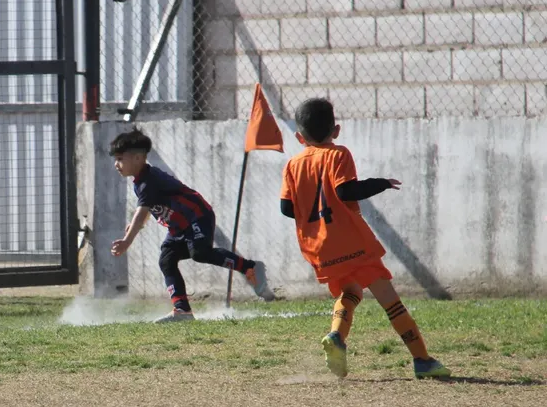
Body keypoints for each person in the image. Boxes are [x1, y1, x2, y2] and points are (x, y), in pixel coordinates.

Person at [279, 97, 450, 378]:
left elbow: (287, 208)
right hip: (352, 243)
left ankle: (336, 336)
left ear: (299, 137)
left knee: (351, 292)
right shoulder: (338, 154)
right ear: (336, 130)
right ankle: (422, 360)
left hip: (320, 249)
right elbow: (346, 191)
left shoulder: (292, 165)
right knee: (390, 301)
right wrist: (380, 184)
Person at [108, 128, 274, 322]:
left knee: (200, 253)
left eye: (120, 159)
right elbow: (147, 209)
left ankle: (250, 267)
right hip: (178, 227)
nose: (116, 164)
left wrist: (127, 241)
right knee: (166, 260)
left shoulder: (148, 181)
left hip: (197, 216)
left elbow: (142, 210)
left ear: (137, 158)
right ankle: (182, 310)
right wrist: (136, 225)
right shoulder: (140, 181)